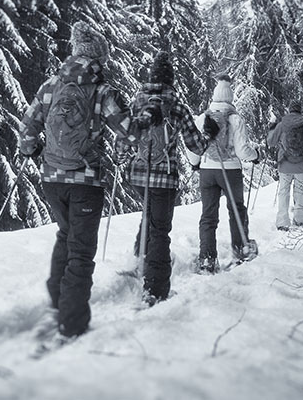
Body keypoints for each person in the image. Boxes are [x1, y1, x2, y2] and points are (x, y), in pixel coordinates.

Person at [20, 21, 152, 339]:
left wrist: (33, 149)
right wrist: (145, 118)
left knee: (65, 235)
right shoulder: (103, 91)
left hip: (51, 179)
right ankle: (73, 322)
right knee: (80, 250)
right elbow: (129, 133)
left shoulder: (50, 85)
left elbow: (28, 126)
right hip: (85, 181)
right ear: (98, 59)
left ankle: (58, 302)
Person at [118, 51, 217, 305]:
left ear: (151, 79)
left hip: (139, 175)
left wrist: (121, 157)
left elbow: (124, 138)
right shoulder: (177, 107)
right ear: (171, 81)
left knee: (147, 216)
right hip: (164, 176)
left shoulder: (136, 104)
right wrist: (209, 134)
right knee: (160, 230)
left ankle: (138, 261)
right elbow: (196, 145)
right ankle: (155, 289)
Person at [187, 75, 260, 273]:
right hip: (230, 171)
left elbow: (193, 146)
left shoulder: (203, 118)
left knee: (208, 215)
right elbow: (243, 150)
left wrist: (195, 164)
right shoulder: (235, 118)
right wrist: (255, 156)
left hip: (208, 170)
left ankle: (207, 259)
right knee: (236, 209)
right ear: (230, 97)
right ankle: (241, 249)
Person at [266, 101, 303, 230]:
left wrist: (272, 129)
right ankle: (300, 220)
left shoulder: (281, 125)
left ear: (289, 110)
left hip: (284, 164)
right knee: (300, 192)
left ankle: (282, 222)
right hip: (302, 165)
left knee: (284, 192)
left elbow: (271, 142)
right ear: (299, 110)